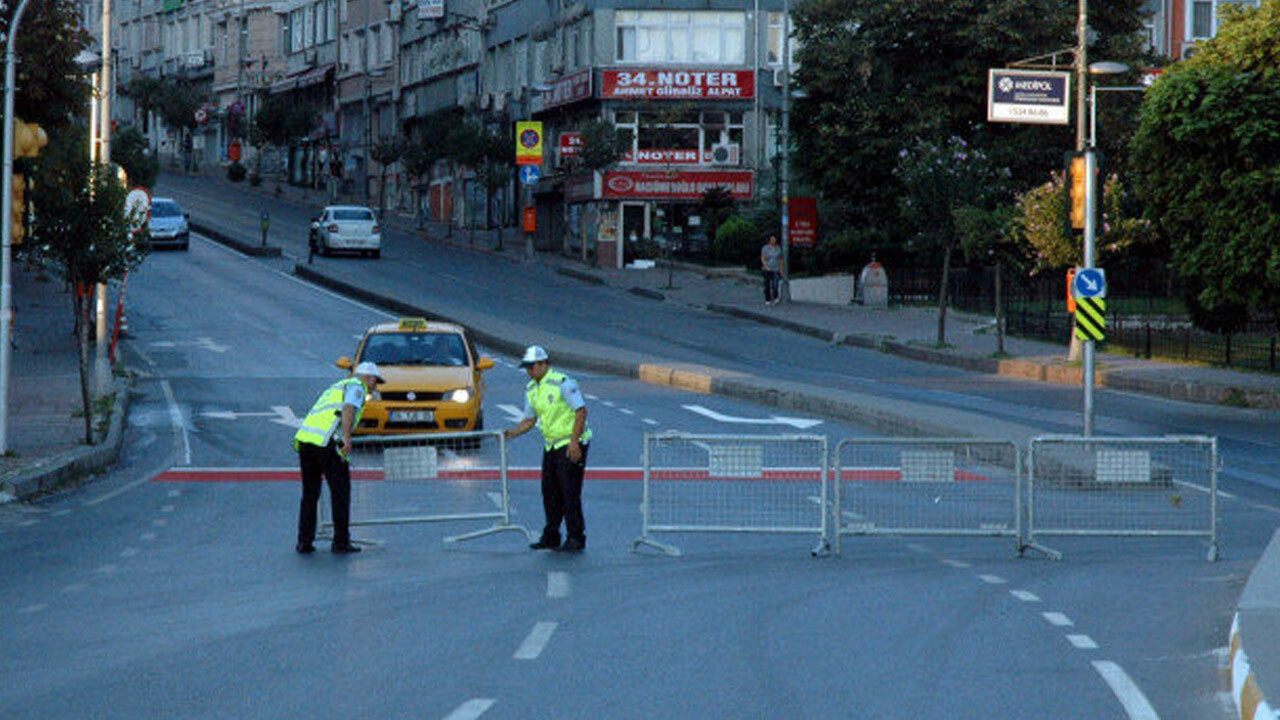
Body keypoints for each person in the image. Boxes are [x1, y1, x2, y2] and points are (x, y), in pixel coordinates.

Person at [503, 345, 592, 553]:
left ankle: (576, 537)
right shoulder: (532, 389)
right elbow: (529, 420)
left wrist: (574, 442)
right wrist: (510, 434)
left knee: (569, 492)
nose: (529, 371)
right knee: (550, 492)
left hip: (570, 442)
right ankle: (551, 536)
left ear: (544, 364)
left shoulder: (562, 383)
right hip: (551, 444)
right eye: (527, 367)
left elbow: (580, 412)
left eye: (532, 366)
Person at [293, 361, 385, 555]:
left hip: (306, 440)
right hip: (328, 442)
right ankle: (341, 542)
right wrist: (347, 439)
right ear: (369, 378)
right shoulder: (357, 387)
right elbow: (348, 409)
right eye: (376, 381)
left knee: (310, 494)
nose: (376, 386)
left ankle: (304, 541)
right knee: (340, 492)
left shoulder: (336, 386)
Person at [761, 235, 783, 305]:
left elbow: (780, 259)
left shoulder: (778, 249)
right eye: (771, 239)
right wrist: (765, 266)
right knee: (767, 284)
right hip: (767, 269)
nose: (773, 241)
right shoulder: (765, 248)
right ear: (769, 240)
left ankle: (776, 297)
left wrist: (781, 269)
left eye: (774, 239)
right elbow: (763, 258)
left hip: (775, 269)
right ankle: (767, 299)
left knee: (775, 284)